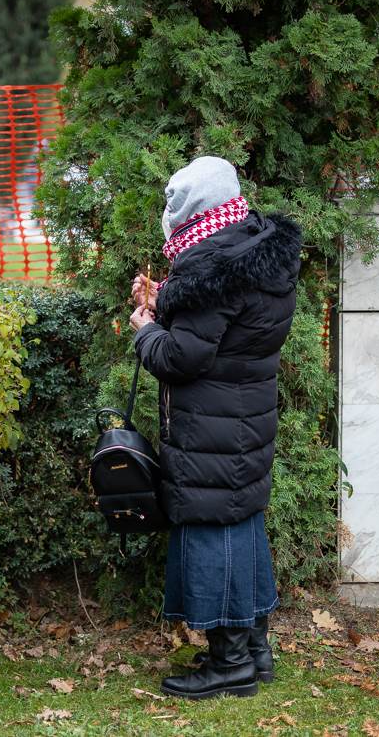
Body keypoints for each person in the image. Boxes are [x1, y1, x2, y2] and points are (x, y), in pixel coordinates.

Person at [129, 156, 301, 700]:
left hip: (213, 430)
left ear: (189, 212)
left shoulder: (212, 268)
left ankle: (230, 666)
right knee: (242, 528)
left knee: (212, 534)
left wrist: (145, 329)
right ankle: (256, 651)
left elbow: (182, 356)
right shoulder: (252, 248)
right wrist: (167, 298)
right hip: (243, 423)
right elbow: (222, 325)